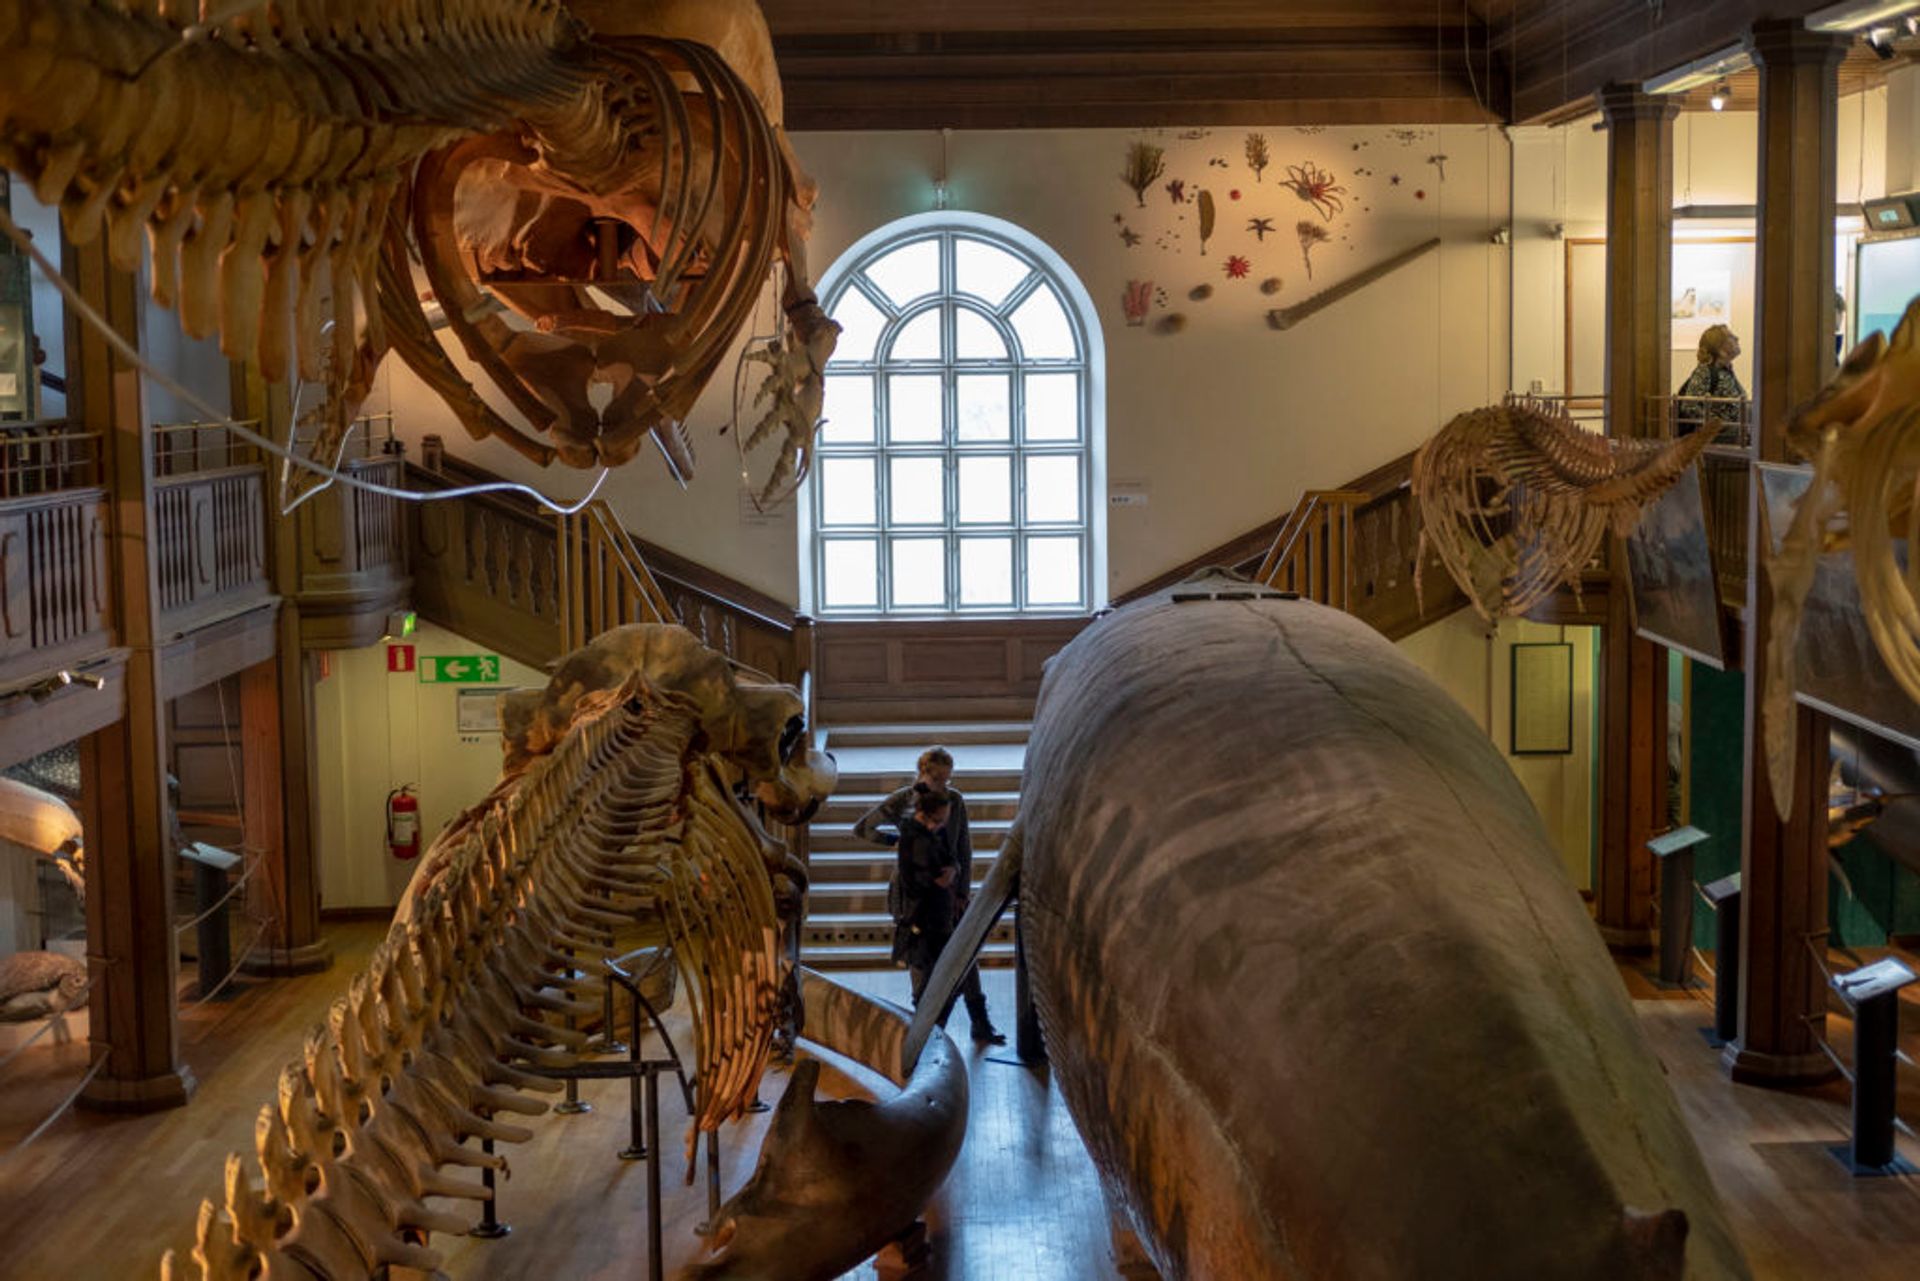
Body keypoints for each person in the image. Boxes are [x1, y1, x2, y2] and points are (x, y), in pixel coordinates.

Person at [856, 746, 1005, 1044]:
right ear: (923, 772)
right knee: (919, 954)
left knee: (964, 950)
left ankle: (979, 1019)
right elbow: (863, 828)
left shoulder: (954, 801)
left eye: (947, 778)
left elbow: (964, 846)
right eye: (937, 777)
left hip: (948, 887)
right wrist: (898, 842)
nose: (942, 783)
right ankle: (923, 1021)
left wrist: (962, 887)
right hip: (914, 887)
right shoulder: (905, 799)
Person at [1675, 325, 1746, 439]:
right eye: (1731, 337)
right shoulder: (1705, 371)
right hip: (1716, 443)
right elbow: (1689, 406)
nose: (1737, 338)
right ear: (1720, 348)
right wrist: (1719, 425)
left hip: (1731, 440)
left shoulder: (1727, 371)